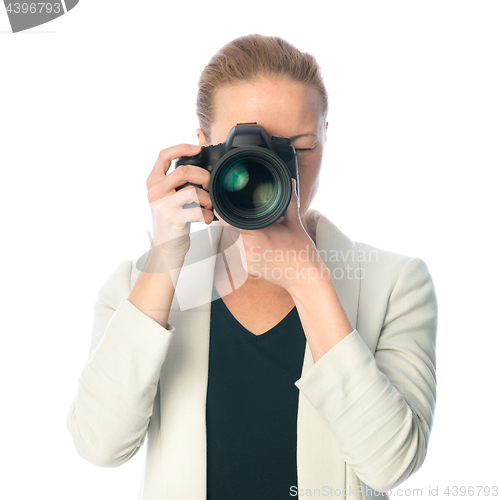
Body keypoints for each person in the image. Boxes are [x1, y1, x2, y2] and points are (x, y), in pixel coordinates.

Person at [67, 34, 438, 500]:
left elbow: (389, 465)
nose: (277, 172)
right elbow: (99, 446)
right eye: (250, 150)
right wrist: (164, 259)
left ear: (326, 136)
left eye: (298, 148)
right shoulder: (138, 285)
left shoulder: (395, 285)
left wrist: (311, 282)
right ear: (202, 150)